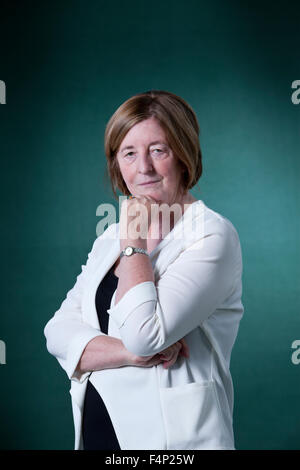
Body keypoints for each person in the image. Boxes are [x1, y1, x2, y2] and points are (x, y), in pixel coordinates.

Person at [44, 90, 244, 450]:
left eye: (158, 150)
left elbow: (144, 335)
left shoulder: (211, 235)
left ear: (183, 156)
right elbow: (57, 333)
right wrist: (129, 355)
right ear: (116, 163)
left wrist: (134, 241)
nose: (144, 168)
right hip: (101, 429)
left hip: (175, 442)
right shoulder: (110, 238)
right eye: (129, 153)